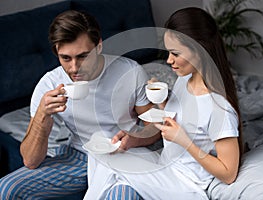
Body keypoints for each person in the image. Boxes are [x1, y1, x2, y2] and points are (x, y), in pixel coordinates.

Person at [83, 7, 243, 200]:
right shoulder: (184, 81)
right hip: (164, 166)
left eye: (175, 53)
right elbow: (182, 120)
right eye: (168, 52)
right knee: (100, 152)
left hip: (186, 185)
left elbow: (228, 174)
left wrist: (184, 140)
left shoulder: (219, 108)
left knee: (114, 168)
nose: (169, 60)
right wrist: (161, 102)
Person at [0, 10, 161, 199]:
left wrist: (135, 139)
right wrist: (43, 114)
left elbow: (154, 128)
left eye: (83, 56)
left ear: (99, 46)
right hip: (78, 156)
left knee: (121, 196)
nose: (75, 68)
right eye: (66, 58)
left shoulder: (130, 71)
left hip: (125, 154)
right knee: (7, 188)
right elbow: (31, 161)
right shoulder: (49, 84)